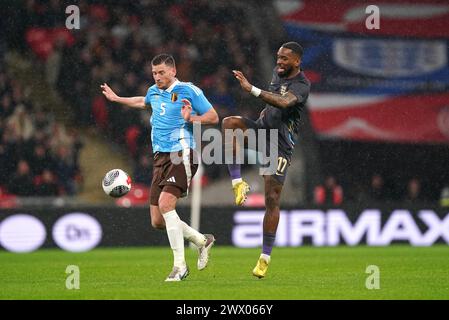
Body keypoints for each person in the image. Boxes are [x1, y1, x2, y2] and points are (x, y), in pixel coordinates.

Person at [101, 54, 219, 281]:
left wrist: (191, 117)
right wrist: (117, 99)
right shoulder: (153, 91)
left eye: (162, 72)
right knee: (157, 220)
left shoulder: (188, 90)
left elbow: (213, 116)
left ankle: (179, 267)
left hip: (182, 153)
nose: (157, 77)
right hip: (160, 158)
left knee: (166, 204)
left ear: (173, 71)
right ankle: (202, 240)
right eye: (154, 73)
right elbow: (142, 101)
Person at [222, 42, 310, 278]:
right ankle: (237, 182)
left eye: (285, 59)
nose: (279, 62)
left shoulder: (302, 85)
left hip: (279, 145)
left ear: (297, 62)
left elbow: (283, 102)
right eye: (278, 57)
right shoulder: (277, 74)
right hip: (263, 131)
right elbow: (272, 102)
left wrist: (251, 89)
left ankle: (265, 257)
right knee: (229, 123)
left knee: (271, 198)